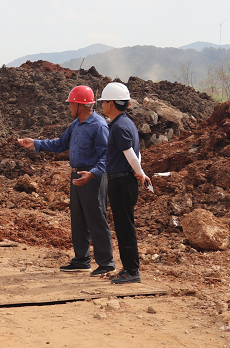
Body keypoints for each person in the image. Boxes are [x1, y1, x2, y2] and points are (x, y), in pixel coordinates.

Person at [17, 85, 115, 277]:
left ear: (80, 105)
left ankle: (106, 263)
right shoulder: (76, 125)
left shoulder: (99, 125)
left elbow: (106, 157)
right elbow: (60, 144)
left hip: (93, 178)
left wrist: (92, 174)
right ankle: (81, 260)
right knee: (78, 219)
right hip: (77, 176)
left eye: (71, 104)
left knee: (96, 218)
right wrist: (35, 143)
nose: (69, 107)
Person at [99, 81, 150, 285]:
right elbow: (135, 154)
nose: (101, 105)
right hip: (124, 180)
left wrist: (140, 173)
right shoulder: (126, 123)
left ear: (111, 103)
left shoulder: (119, 126)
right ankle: (128, 268)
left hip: (122, 181)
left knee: (124, 227)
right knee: (122, 226)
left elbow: (130, 155)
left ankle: (132, 271)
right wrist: (140, 173)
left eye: (103, 102)